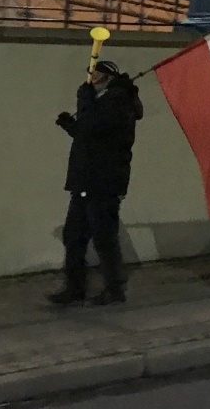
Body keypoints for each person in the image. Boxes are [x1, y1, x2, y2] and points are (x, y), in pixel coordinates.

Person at [50, 60, 144, 306]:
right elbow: (87, 136)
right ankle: (75, 288)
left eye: (95, 74)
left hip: (103, 182)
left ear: (106, 77)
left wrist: (83, 100)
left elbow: (93, 129)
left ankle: (114, 289)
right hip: (87, 180)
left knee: (104, 238)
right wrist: (70, 124)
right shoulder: (104, 102)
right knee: (74, 236)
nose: (91, 79)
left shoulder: (117, 102)